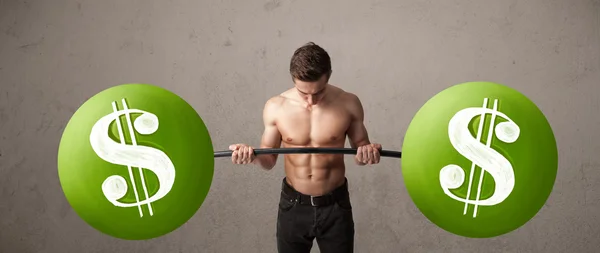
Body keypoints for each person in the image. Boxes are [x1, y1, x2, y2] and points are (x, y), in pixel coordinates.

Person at [229, 42, 382, 253]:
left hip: (335, 205)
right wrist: (251, 155)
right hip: (294, 206)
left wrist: (367, 153)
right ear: (293, 79)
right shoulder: (276, 107)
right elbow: (268, 161)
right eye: (303, 93)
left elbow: (360, 153)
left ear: (328, 75)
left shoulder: (348, 103)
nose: (311, 100)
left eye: (318, 92)